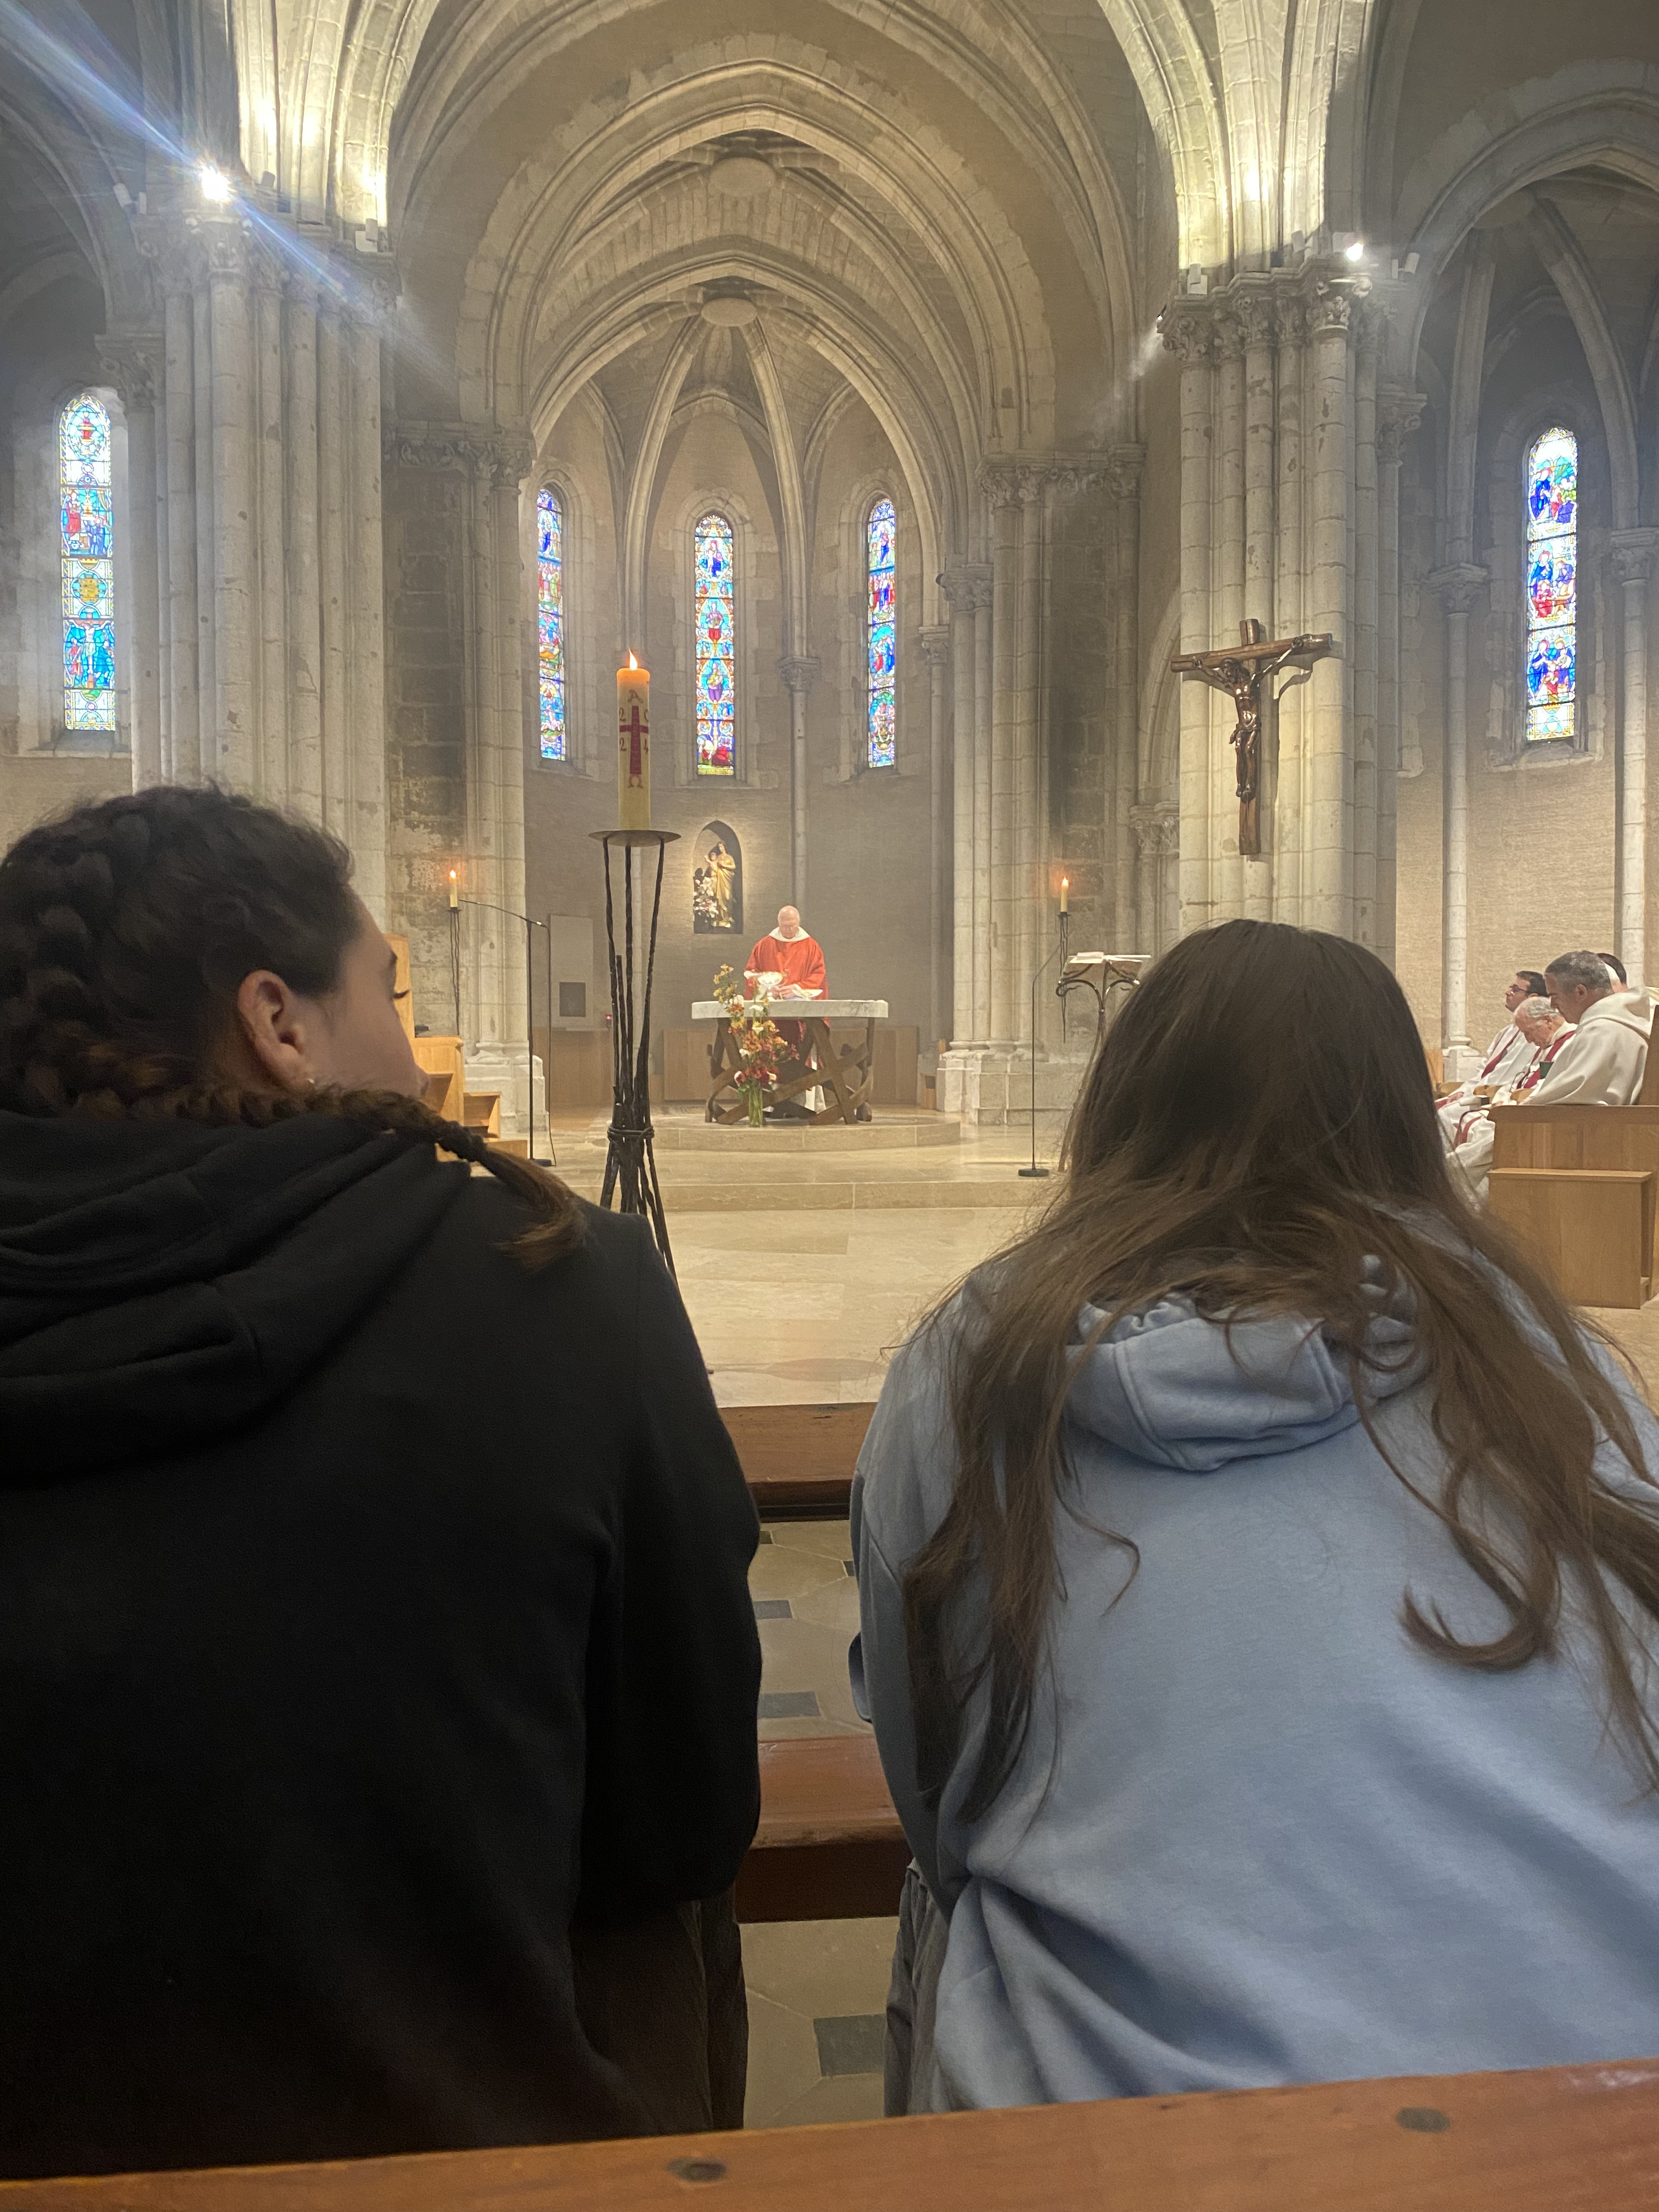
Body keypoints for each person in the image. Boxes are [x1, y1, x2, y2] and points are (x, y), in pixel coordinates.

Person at [0, 788, 761, 2180]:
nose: (416, 1061)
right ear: (279, 1024)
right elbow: (687, 1809)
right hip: (473, 2152)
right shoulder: (557, 1282)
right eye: (394, 998)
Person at [854, 917, 1659, 2116]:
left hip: (1142, 2125)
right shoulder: (1537, 1343)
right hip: (1599, 2083)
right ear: (1396, 1113)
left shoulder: (985, 1348)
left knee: (955, 1907)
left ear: (1127, 1099)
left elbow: (929, 1749)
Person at [1447, 996, 1572, 1199]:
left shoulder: (1570, 1044)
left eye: (1529, 1032)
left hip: (1535, 1117)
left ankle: (1460, 1188)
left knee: (1485, 1134)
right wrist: (1503, 1098)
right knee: (1470, 1122)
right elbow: (1520, 1079)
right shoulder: (1548, 1045)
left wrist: (1512, 1104)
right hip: (1516, 1109)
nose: (1529, 1040)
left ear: (1548, 1021)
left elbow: (1548, 1088)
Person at [1535, 948, 1652, 1105]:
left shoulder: (1602, 1031)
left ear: (1580, 992)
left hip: (1602, 1121)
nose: (1553, 1005)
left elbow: (1567, 1101)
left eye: (1555, 996)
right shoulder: (1625, 1019)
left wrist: (1520, 1111)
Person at [1437, 969, 1545, 1134]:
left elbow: (1504, 1075)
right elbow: (1483, 1070)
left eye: (1515, 990)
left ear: (1533, 998)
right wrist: (1462, 1090)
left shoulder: (1531, 1037)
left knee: (1443, 1116)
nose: (1508, 992)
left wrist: (1469, 1095)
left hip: (1488, 1098)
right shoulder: (1506, 1032)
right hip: (1478, 1094)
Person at [745, 906, 828, 1117]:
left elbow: (818, 975)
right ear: (778, 923)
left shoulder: (811, 946)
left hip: (800, 1018)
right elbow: (751, 974)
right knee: (768, 1051)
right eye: (785, 926)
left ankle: (803, 1104)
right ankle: (769, 1104)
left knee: (802, 1048)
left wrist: (797, 988)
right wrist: (767, 988)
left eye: (792, 925)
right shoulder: (764, 945)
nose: (789, 929)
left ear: (798, 922)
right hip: (772, 1018)